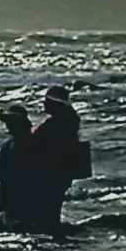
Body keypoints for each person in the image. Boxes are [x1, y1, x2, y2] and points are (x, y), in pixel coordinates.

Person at [29, 85, 83, 235]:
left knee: (47, 207)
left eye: (47, 101)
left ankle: (50, 233)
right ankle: (53, 232)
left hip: (50, 171)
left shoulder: (54, 124)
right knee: (53, 206)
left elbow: (34, 141)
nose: (44, 104)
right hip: (60, 171)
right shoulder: (68, 122)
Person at [0, 105, 33, 227]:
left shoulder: (30, 144)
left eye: (11, 123)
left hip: (21, 190)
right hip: (6, 189)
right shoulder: (8, 145)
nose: (8, 127)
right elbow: (0, 166)